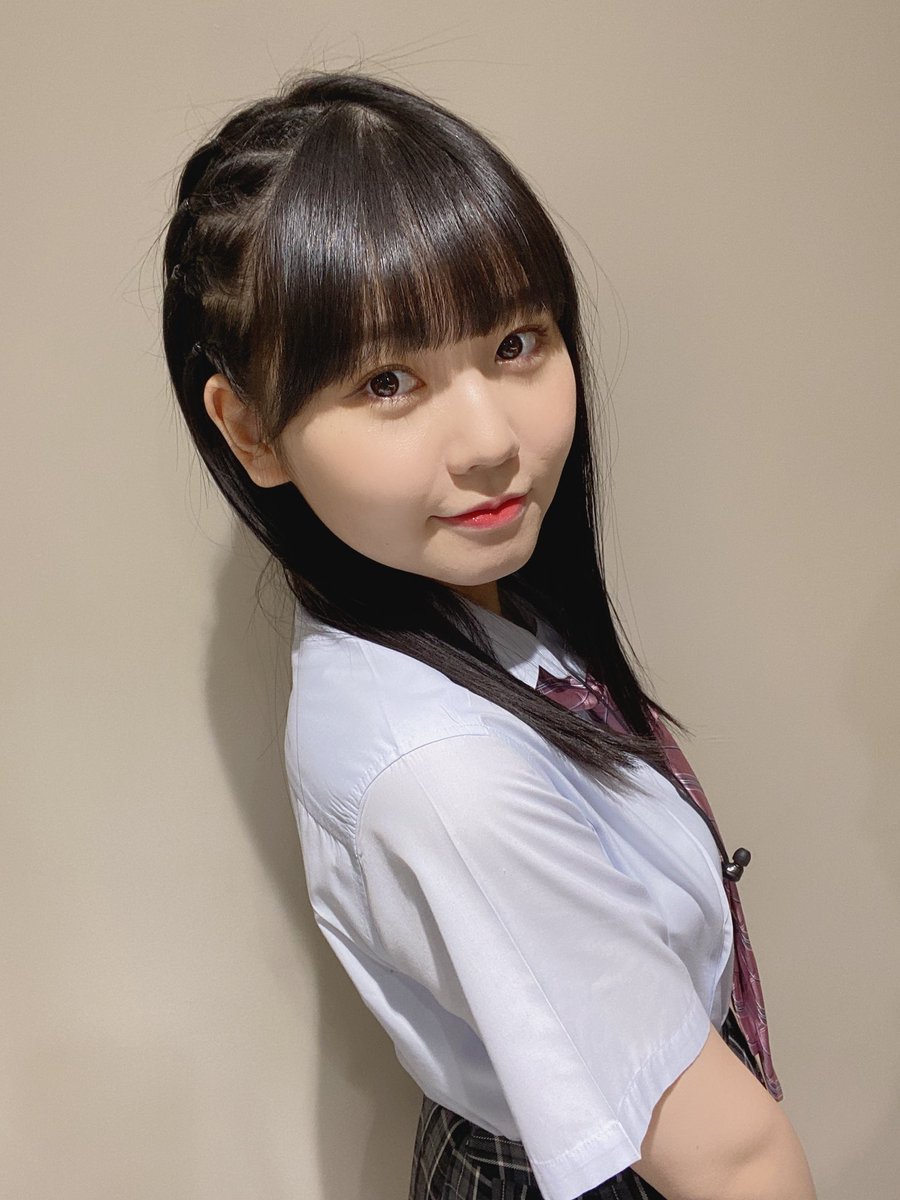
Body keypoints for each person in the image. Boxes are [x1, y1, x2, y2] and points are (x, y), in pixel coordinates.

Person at [160, 68, 816, 1200]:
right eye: (387, 380)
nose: (489, 443)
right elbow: (735, 1161)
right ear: (251, 430)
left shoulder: (458, 602)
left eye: (515, 343)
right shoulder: (446, 774)